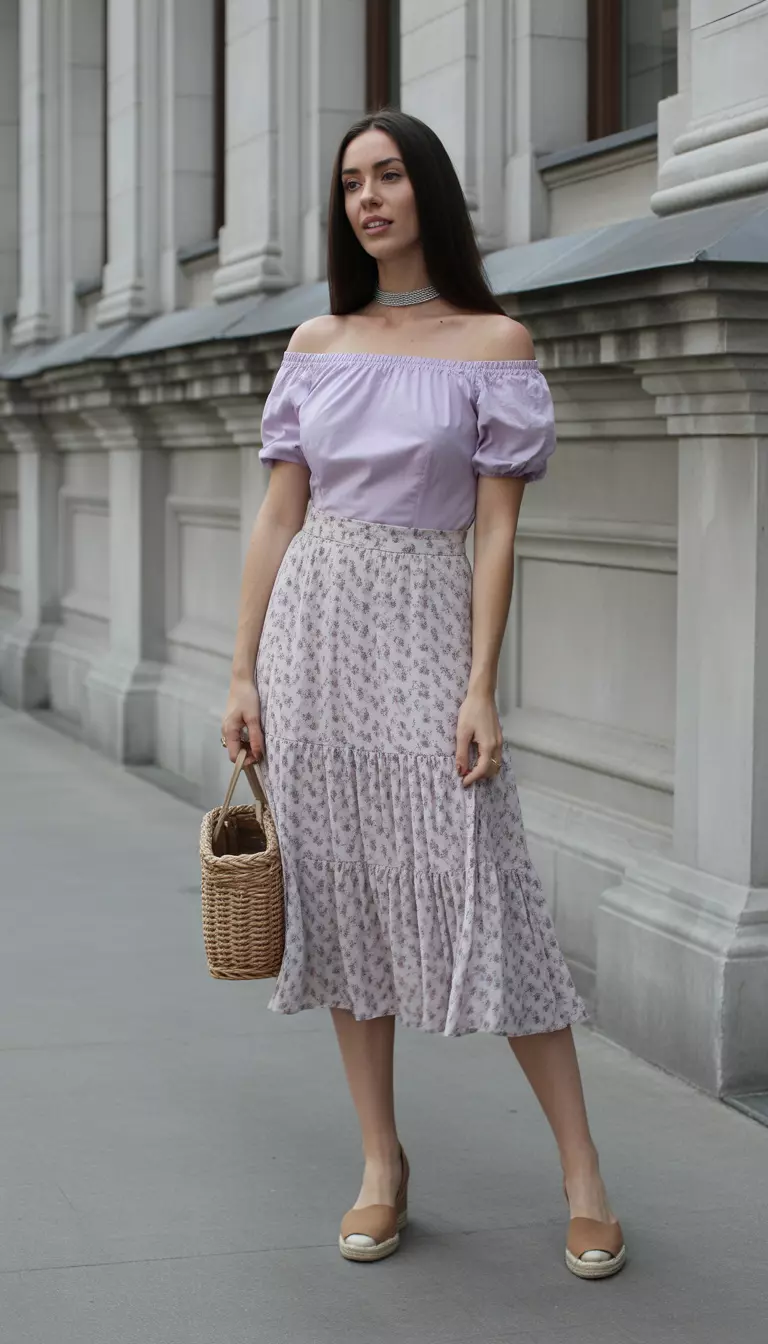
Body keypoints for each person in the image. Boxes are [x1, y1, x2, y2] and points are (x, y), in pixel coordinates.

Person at [221, 108, 625, 1279]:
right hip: (313, 635)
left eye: (389, 175)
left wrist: (481, 686)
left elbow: (496, 531)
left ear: (428, 191)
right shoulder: (318, 341)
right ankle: (380, 1162)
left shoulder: (496, 344)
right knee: (342, 893)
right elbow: (279, 514)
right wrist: (242, 670)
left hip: (426, 627)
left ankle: (584, 1174)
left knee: (485, 885)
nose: (368, 197)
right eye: (352, 181)